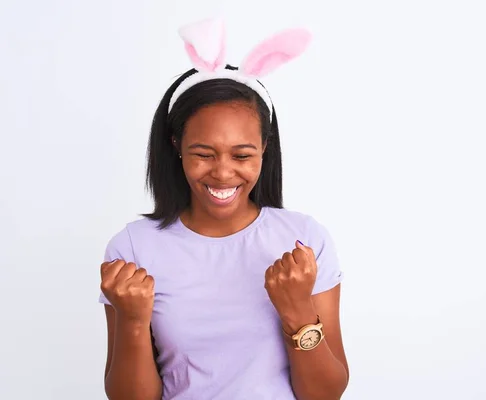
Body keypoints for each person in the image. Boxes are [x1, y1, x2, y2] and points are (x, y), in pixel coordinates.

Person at [97, 18, 349, 400]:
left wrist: (297, 310)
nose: (223, 173)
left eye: (242, 155)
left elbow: (326, 394)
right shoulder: (132, 250)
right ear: (176, 144)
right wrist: (133, 321)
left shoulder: (304, 241)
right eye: (203, 154)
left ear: (265, 148)